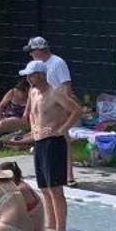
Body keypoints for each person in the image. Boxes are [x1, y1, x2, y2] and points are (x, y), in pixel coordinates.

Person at [24, 58, 81, 231]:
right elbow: (33, 114)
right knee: (44, 187)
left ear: (40, 75)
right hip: (40, 141)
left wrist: (62, 129)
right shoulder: (33, 92)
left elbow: (76, 110)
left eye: (31, 76)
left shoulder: (55, 93)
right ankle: (51, 224)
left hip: (54, 142)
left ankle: (61, 228)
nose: (27, 79)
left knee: (55, 188)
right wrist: (33, 130)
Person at [23, 36, 77, 183]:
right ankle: (48, 174)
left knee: (63, 139)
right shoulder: (35, 66)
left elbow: (66, 85)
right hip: (42, 104)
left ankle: (68, 175)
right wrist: (28, 108)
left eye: (32, 51)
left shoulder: (58, 63)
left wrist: (66, 109)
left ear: (40, 50)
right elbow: (32, 89)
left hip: (58, 104)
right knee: (41, 138)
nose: (30, 54)